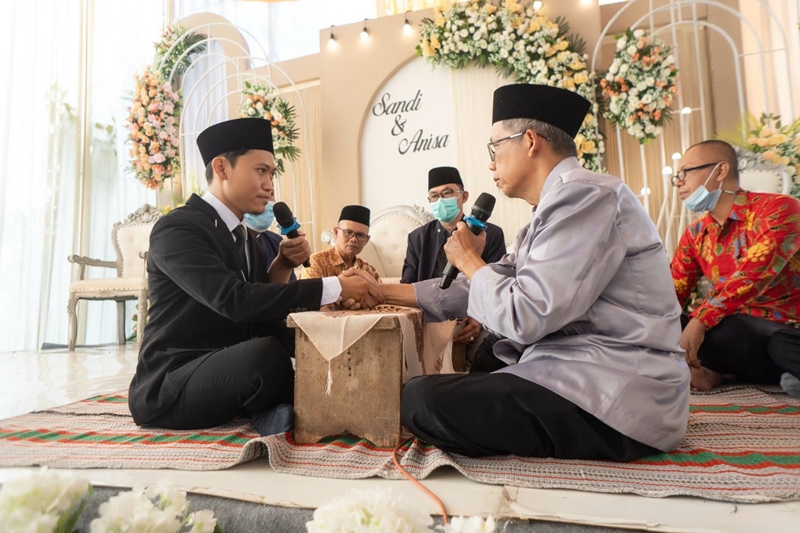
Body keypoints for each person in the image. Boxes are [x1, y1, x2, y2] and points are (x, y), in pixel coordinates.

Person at [357, 83, 689, 459]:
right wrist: (379, 292)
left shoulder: (586, 196)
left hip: (614, 390)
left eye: (495, 147)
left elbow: (526, 315)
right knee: (481, 360)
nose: (491, 163)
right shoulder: (553, 208)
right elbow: (484, 282)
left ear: (530, 141)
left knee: (419, 399)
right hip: (575, 366)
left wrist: (469, 259)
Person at [128, 118, 383, 435]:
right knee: (265, 356)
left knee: (313, 341)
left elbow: (260, 315)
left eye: (271, 174)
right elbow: (234, 301)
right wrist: (336, 286)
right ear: (222, 168)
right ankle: (288, 409)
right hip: (172, 382)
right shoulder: (178, 228)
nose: (270, 186)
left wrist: (285, 268)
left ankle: (297, 408)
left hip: (227, 367)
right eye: (261, 171)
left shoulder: (247, 238)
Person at [671, 139, 800, 397]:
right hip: (735, 335)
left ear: (720, 170)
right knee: (669, 325)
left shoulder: (779, 209)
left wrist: (701, 319)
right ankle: (709, 370)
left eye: (686, 172)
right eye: (677, 176)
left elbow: (752, 275)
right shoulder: (695, 234)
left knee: (762, 339)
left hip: (783, 330)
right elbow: (672, 292)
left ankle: (716, 370)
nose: (679, 183)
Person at [401, 166, 506, 354]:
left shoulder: (491, 233)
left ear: (464, 197)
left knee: (490, 346)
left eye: (447, 193)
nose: (440, 200)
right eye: (434, 196)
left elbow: (499, 285)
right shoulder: (417, 238)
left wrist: (478, 320)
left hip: (474, 316)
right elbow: (407, 284)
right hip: (428, 317)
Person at [300, 205, 381, 282]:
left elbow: (380, 292)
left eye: (360, 235)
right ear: (336, 232)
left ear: (366, 240)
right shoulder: (316, 262)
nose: (354, 239)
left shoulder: (368, 270)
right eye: (348, 232)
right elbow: (308, 292)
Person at [244, 189, 296, 282]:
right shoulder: (229, 242)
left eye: (271, 193)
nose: (267, 199)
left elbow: (290, 288)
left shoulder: (277, 242)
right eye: (260, 194)